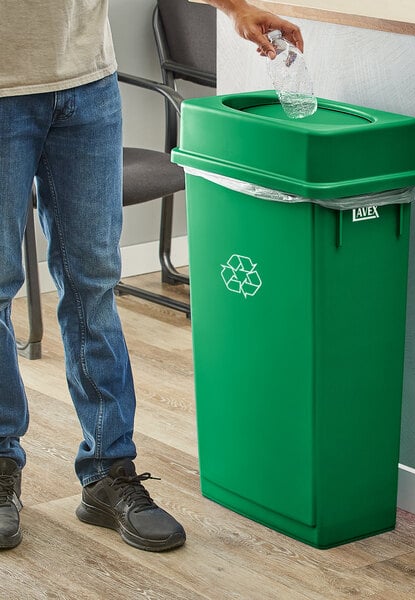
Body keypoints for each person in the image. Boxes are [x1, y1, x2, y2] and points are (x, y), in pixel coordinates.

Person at [0, 0, 303, 551]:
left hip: (87, 84)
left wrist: (234, 9)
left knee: (93, 284)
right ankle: (0, 466)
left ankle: (108, 471)